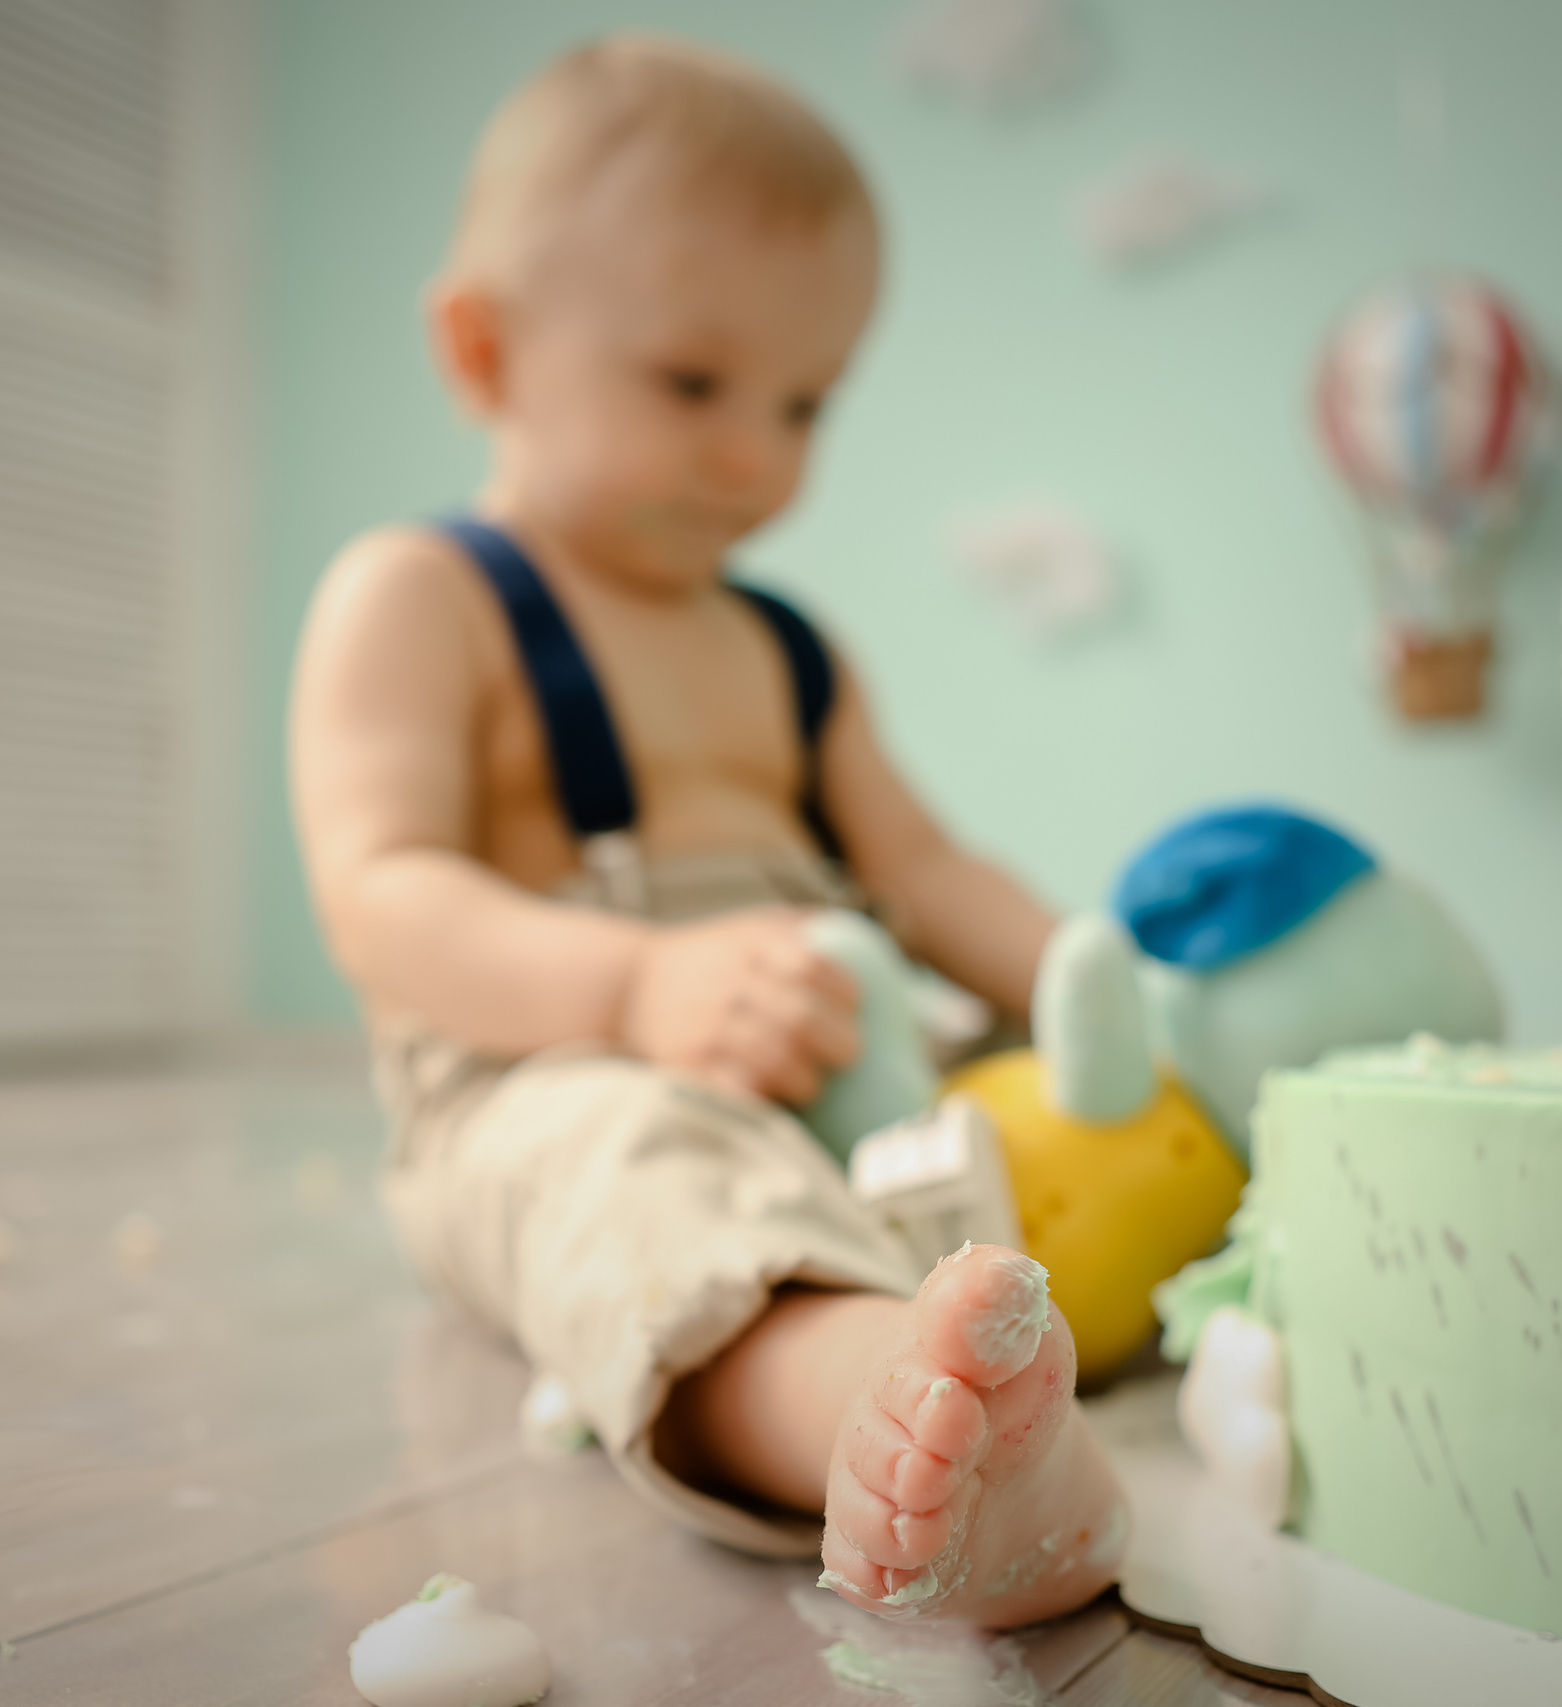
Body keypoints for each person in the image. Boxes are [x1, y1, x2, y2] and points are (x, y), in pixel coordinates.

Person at [289, 33, 1122, 1626]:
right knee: (649, 1188)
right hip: (551, 1074)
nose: (758, 451)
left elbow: (924, 871)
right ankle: (892, 1418)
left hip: (839, 1054)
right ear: (482, 353)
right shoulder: (425, 599)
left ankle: (1053, 1343)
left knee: (1037, 1137)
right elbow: (379, 892)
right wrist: (630, 994)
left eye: (807, 402)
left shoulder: (791, 650)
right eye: (694, 383)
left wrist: (1083, 979)